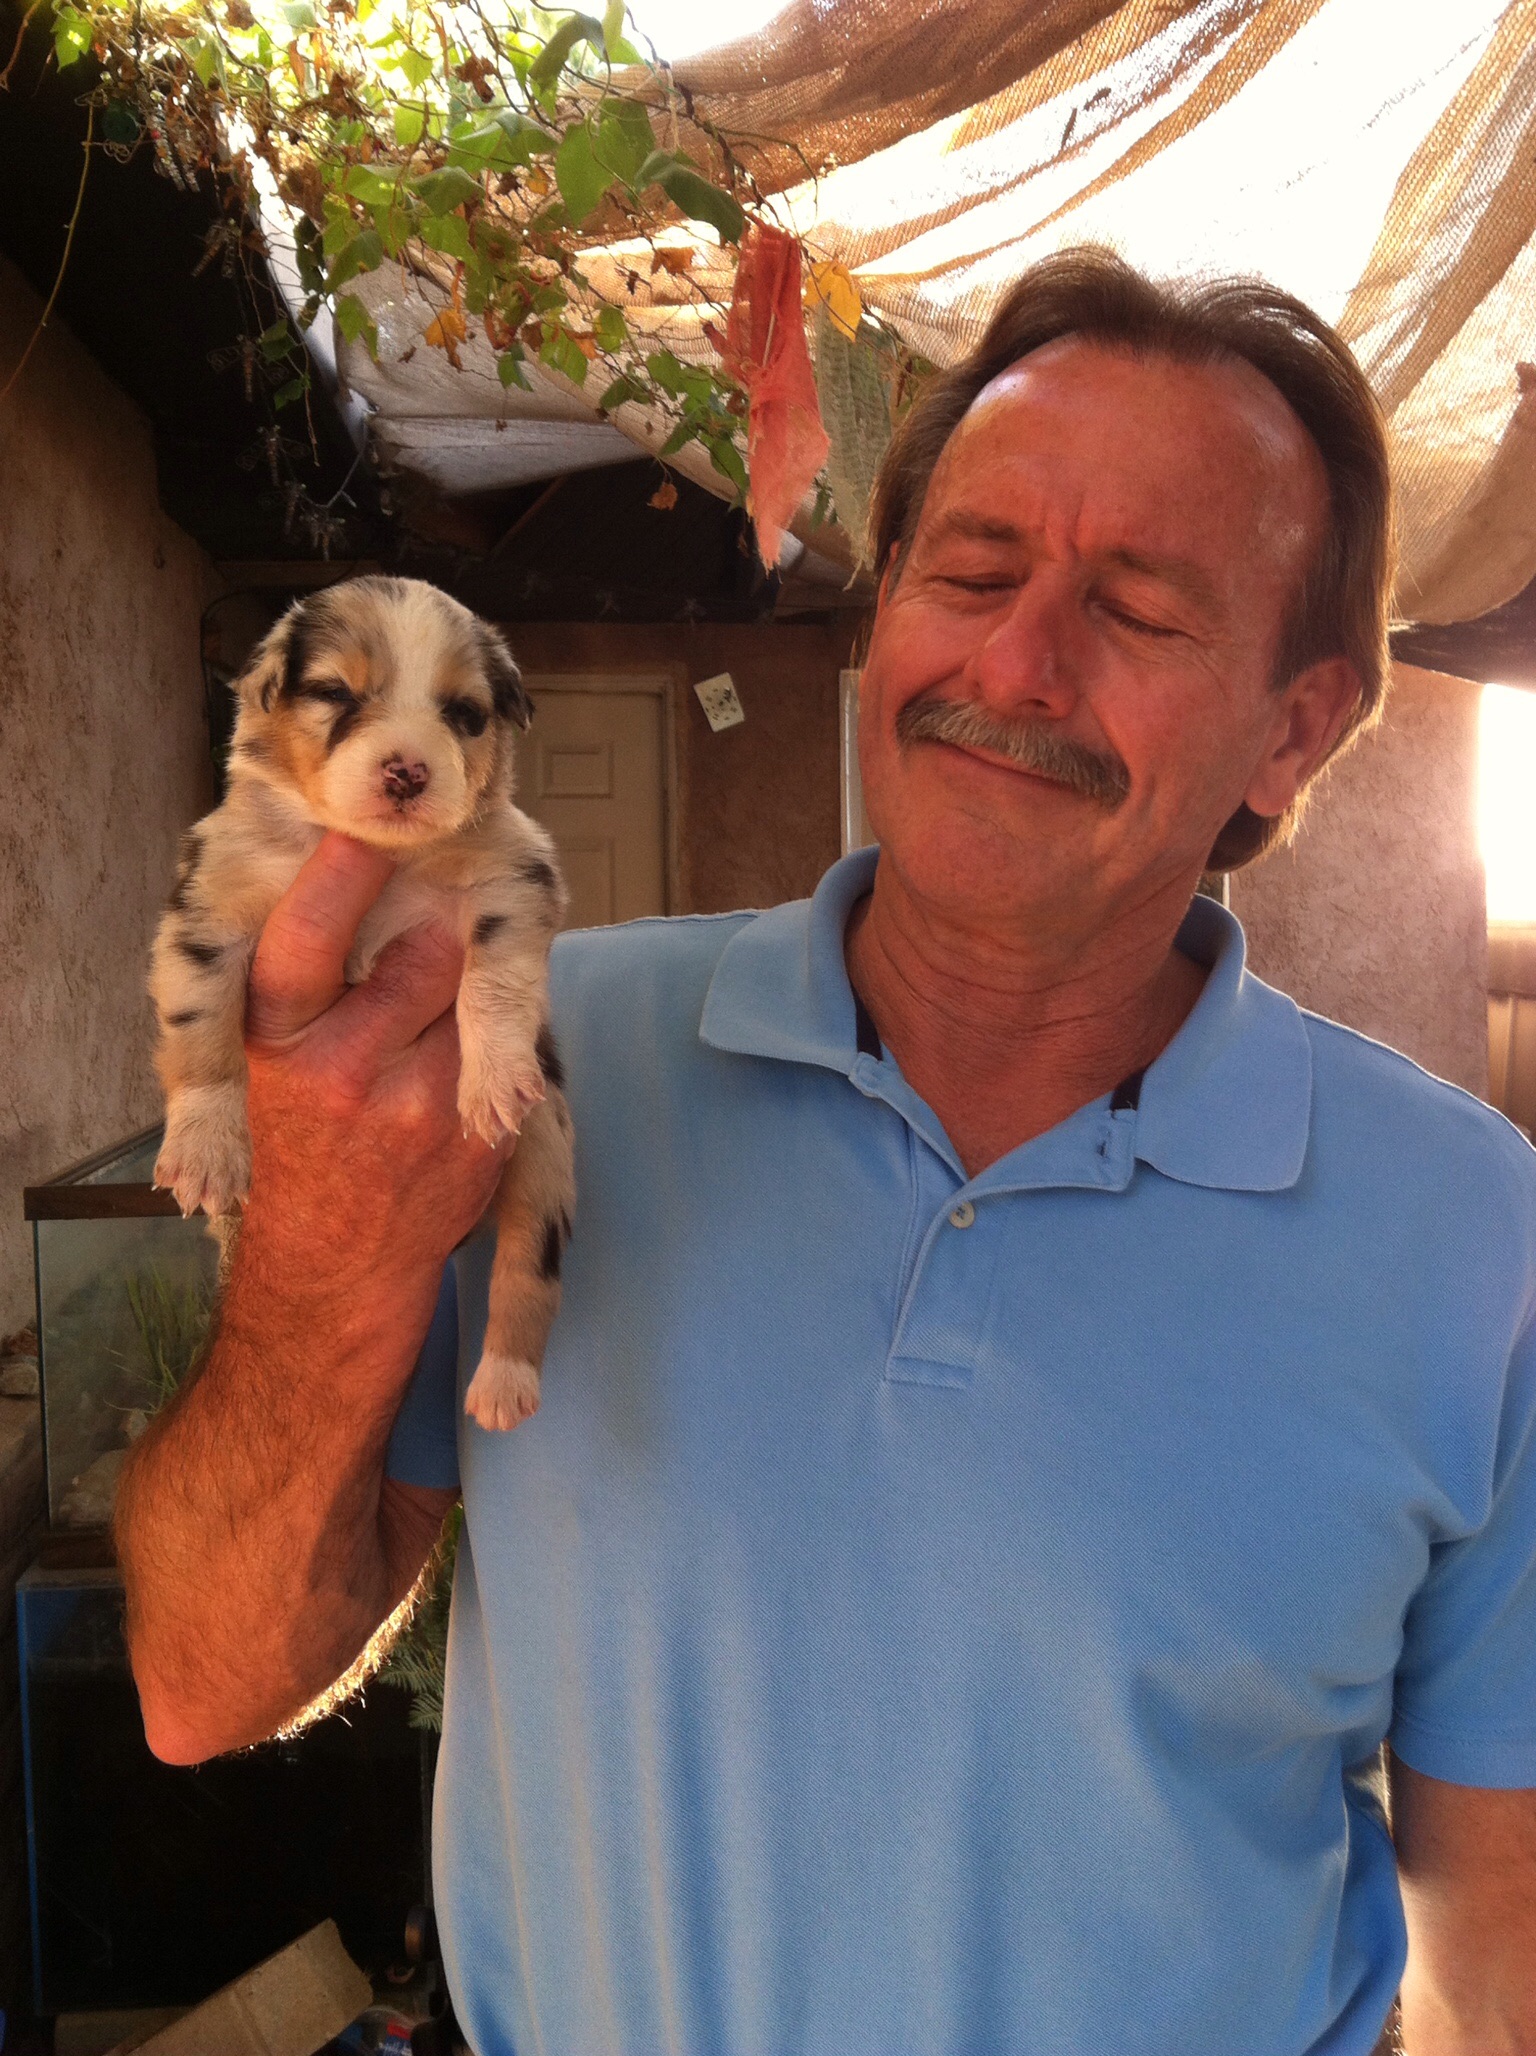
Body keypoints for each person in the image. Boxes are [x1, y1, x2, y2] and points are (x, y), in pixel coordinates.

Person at [117, 250, 1536, 2056]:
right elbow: (198, 1681)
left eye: (1142, 609)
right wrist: (321, 1238)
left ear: (1297, 726)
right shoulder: (548, 1057)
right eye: (973, 569)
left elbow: (1496, 1952)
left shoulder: (1473, 1240)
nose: (1015, 664)